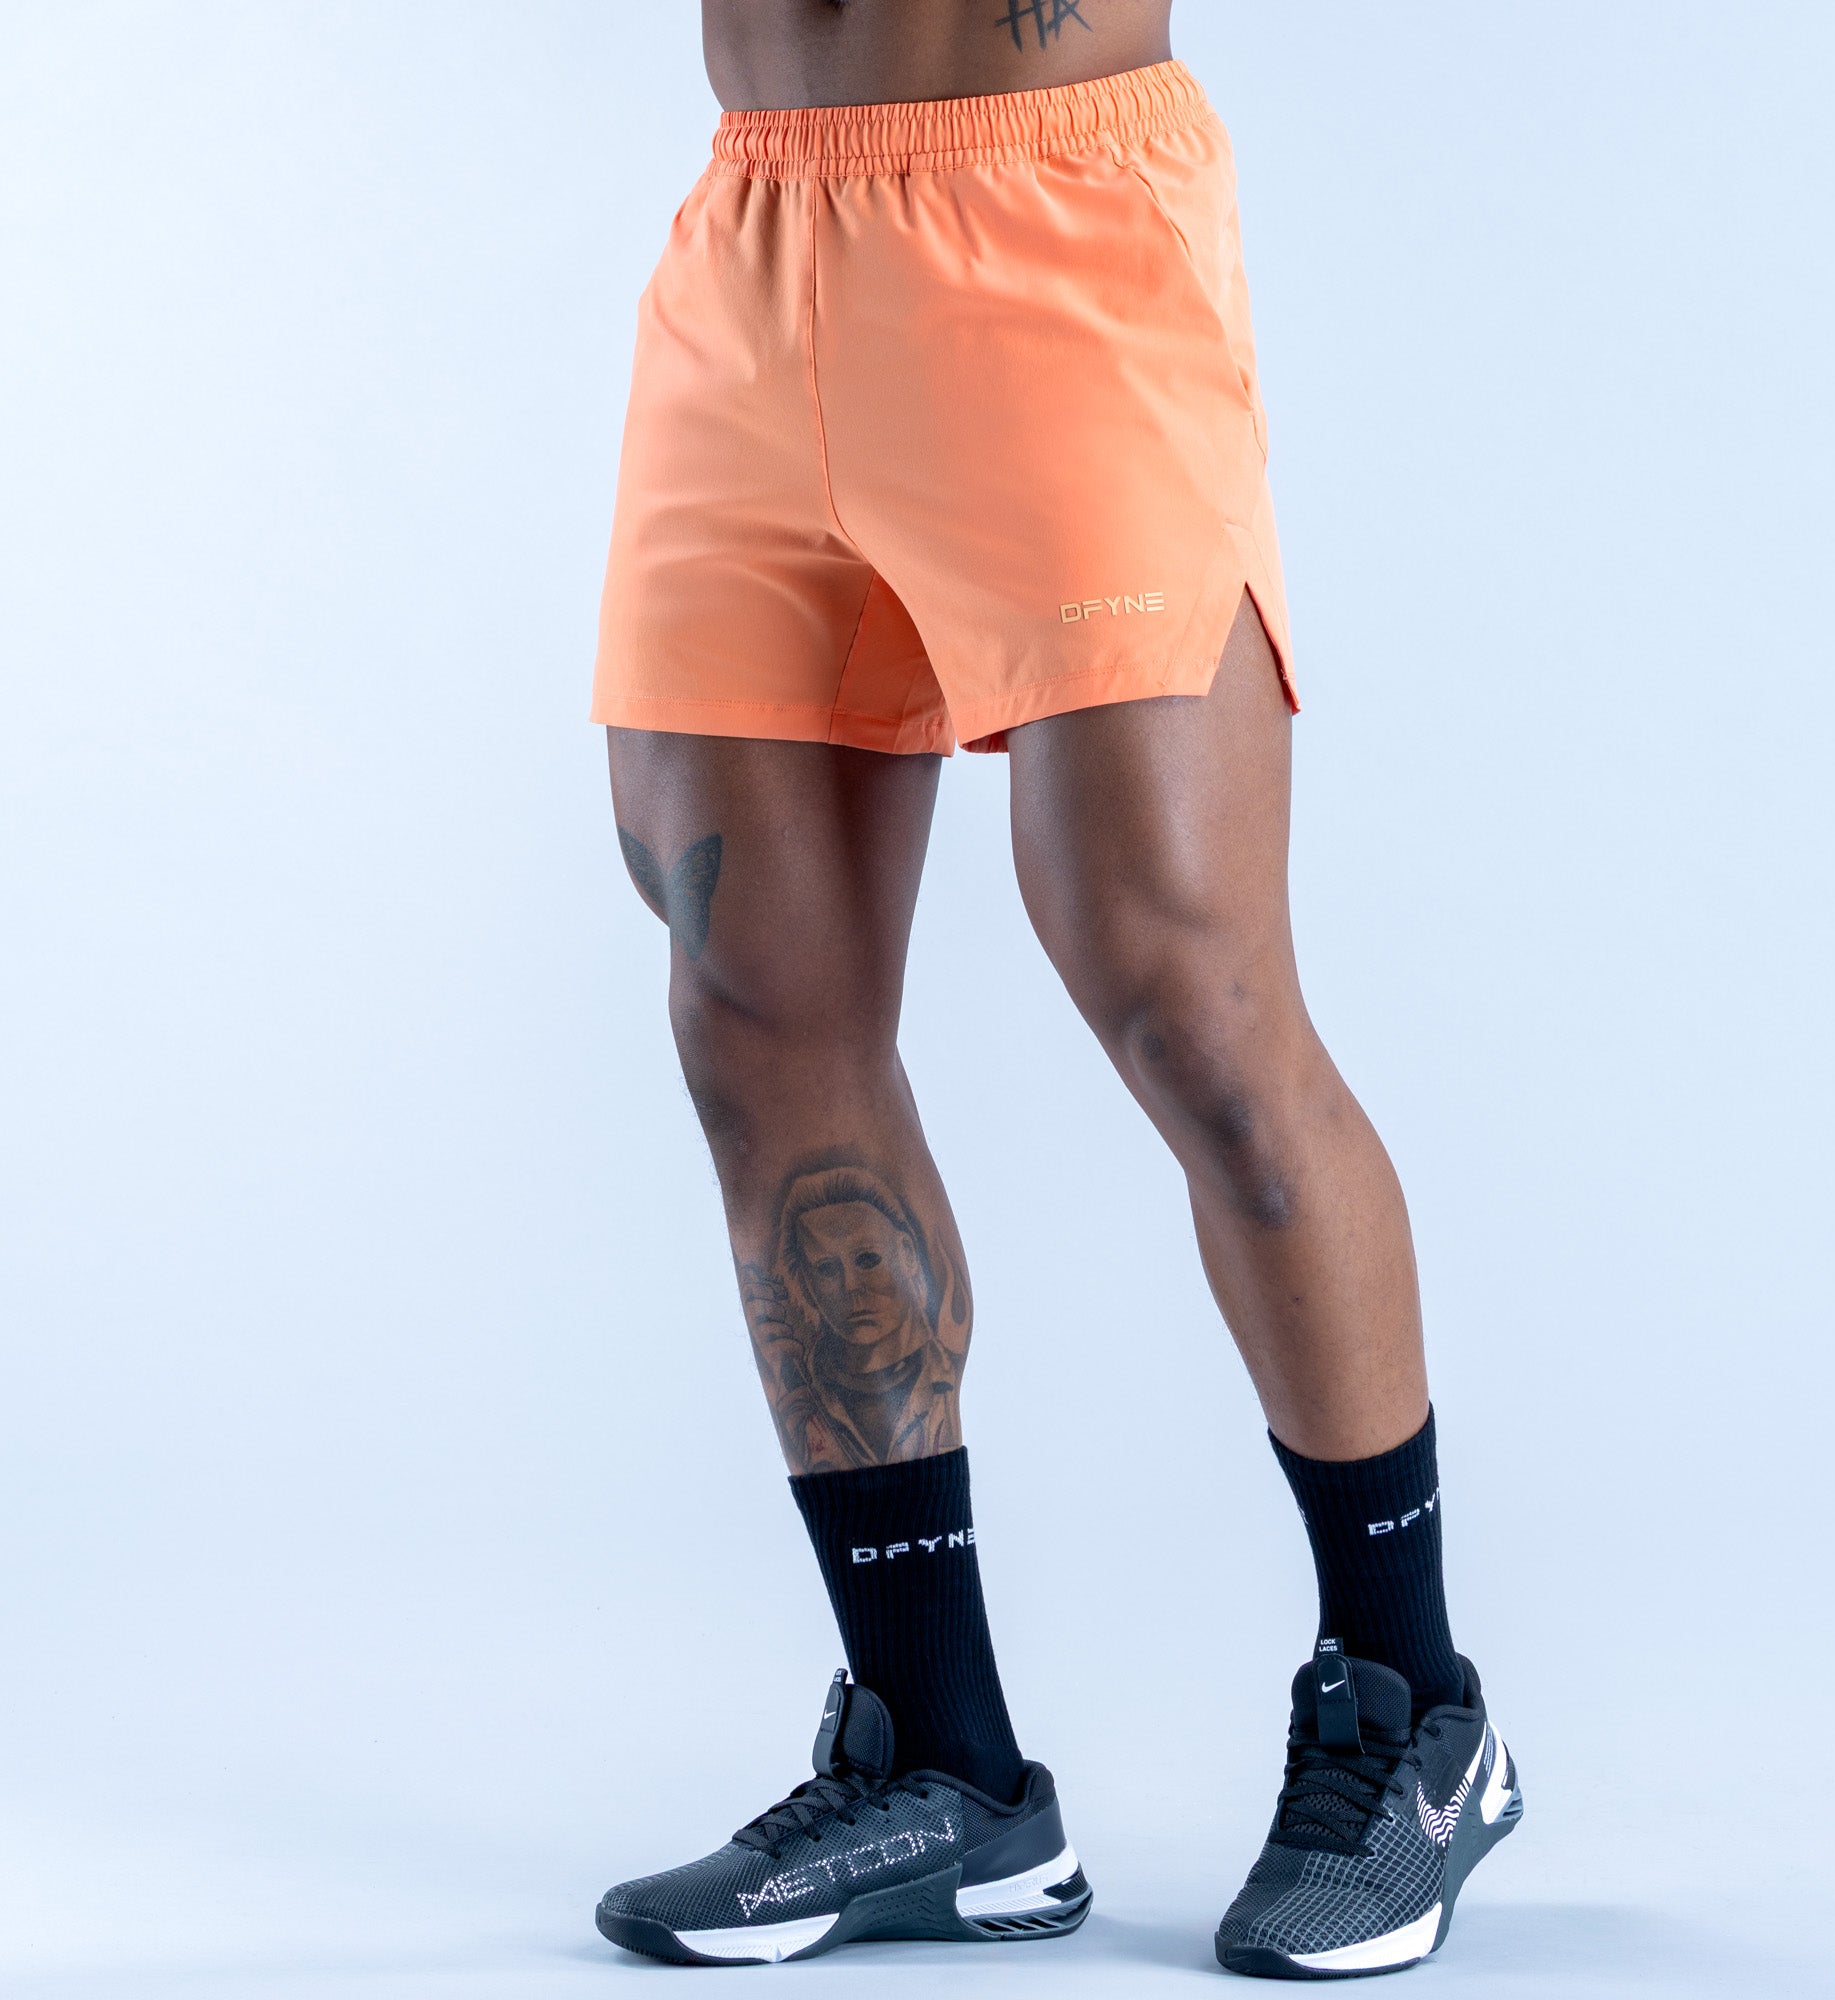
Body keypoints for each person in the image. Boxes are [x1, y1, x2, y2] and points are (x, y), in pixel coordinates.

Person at [589, 0, 1520, 1976]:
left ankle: (1414, 1709)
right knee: (752, 1006)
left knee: (1186, 992)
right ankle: (943, 1764)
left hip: (1053, 215)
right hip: (755, 246)